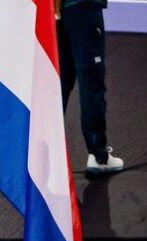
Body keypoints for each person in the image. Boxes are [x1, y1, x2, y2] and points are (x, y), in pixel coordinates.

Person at [55, 0, 124, 174]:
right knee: (91, 82)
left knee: (59, 82)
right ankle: (98, 155)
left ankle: (43, 154)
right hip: (82, 7)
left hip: (58, 10)